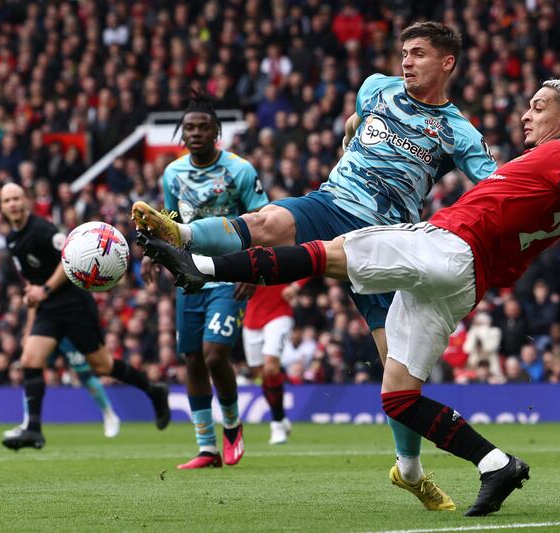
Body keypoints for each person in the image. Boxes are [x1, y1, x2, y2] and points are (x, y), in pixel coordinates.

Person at [138, 79, 560, 516]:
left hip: (446, 248)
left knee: (325, 253)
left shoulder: (559, 156)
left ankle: (199, 266)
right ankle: (496, 463)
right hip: (461, 286)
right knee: (399, 395)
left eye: (539, 107)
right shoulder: (549, 199)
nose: (527, 115)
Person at [134, 21, 497, 510]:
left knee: (400, 372)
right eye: (404, 53)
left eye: (418, 54)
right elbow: (355, 123)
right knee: (270, 222)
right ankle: (182, 235)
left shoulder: (458, 131)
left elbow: (496, 187)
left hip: (385, 243)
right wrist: (351, 139)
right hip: (330, 204)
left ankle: (409, 471)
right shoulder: (377, 88)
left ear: (447, 63)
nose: (406, 61)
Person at [141, 89, 269, 469]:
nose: (196, 133)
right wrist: (154, 252)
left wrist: (255, 268)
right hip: (189, 275)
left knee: (216, 355)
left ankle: (231, 426)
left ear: (217, 133)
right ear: (182, 134)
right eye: (190, 128)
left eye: (204, 127)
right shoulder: (173, 173)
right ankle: (206, 448)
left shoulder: (240, 170)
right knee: (192, 358)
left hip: (229, 273)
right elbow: (171, 223)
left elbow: (263, 221)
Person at [0, 183, 169, 451]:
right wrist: (34, 298)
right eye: (7, 200)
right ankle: (32, 429)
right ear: (2, 206)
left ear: (26, 201)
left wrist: (43, 290)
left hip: (74, 303)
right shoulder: (12, 238)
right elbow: (34, 280)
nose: (13, 204)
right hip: (48, 309)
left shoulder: (41, 229)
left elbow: (67, 261)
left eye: (16, 199)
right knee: (30, 361)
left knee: (102, 366)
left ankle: (153, 390)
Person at [242, 282, 303, 444]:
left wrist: (296, 285)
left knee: (271, 367)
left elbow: (311, 256)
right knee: (262, 375)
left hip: (279, 312)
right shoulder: (240, 254)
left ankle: (276, 425)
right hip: (252, 318)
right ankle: (281, 417)